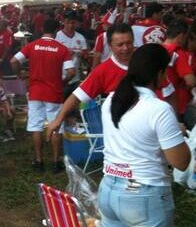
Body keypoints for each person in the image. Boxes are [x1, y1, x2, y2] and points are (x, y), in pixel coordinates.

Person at [98, 44, 190, 227]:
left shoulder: (111, 100)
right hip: (144, 194)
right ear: (160, 73)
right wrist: (178, 134)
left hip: (110, 188)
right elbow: (181, 162)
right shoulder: (159, 109)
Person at [46, 23, 176, 139]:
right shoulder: (102, 71)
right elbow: (77, 96)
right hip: (122, 133)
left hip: (154, 128)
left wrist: (174, 120)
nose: (125, 48)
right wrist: (58, 119)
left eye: (129, 43)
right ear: (110, 46)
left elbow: (169, 93)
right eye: (120, 45)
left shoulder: (148, 62)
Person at [12, 19, 75, 173]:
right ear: (55, 32)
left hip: (35, 92)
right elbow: (71, 72)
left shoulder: (32, 45)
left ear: (42, 30)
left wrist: (19, 74)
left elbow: (14, 60)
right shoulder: (62, 49)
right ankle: (55, 162)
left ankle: (39, 161)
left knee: (36, 126)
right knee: (55, 128)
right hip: (54, 93)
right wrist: (64, 82)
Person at [55, 10, 89, 97]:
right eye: (68, 22)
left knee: (74, 107)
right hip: (60, 78)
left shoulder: (80, 37)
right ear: (63, 22)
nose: (70, 25)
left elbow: (86, 55)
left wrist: (81, 53)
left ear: (76, 23)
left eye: (73, 23)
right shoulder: (57, 36)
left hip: (75, 78)